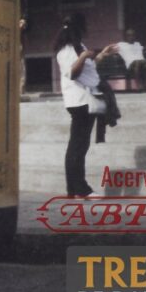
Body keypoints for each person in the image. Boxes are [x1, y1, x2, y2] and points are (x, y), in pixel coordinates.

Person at [54, 13, 118, 198]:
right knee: (78, 147)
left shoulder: (78, 47)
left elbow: (88, 68)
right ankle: (81, 189)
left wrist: (102, 55)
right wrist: (82, 57)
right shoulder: (66, 51)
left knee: (79, 145)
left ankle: (73, 190)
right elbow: (73, 73)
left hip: (83, 100)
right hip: (80, 101)